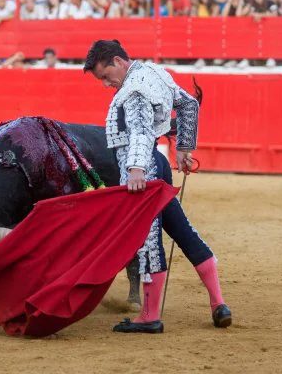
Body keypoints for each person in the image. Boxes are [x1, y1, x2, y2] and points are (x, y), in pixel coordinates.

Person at [83, 39, 232, 333]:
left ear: (117, 61)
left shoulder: (133, 89)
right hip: (158, 162)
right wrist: (184, 148)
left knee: (148, 241)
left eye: (104, 75)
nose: (105, 84)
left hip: (143, 167)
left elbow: (138, 130)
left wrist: (137, 168)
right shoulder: (155, 73)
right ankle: (218, 303)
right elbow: (188, 104)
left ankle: (150, 317)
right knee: (183, 232)